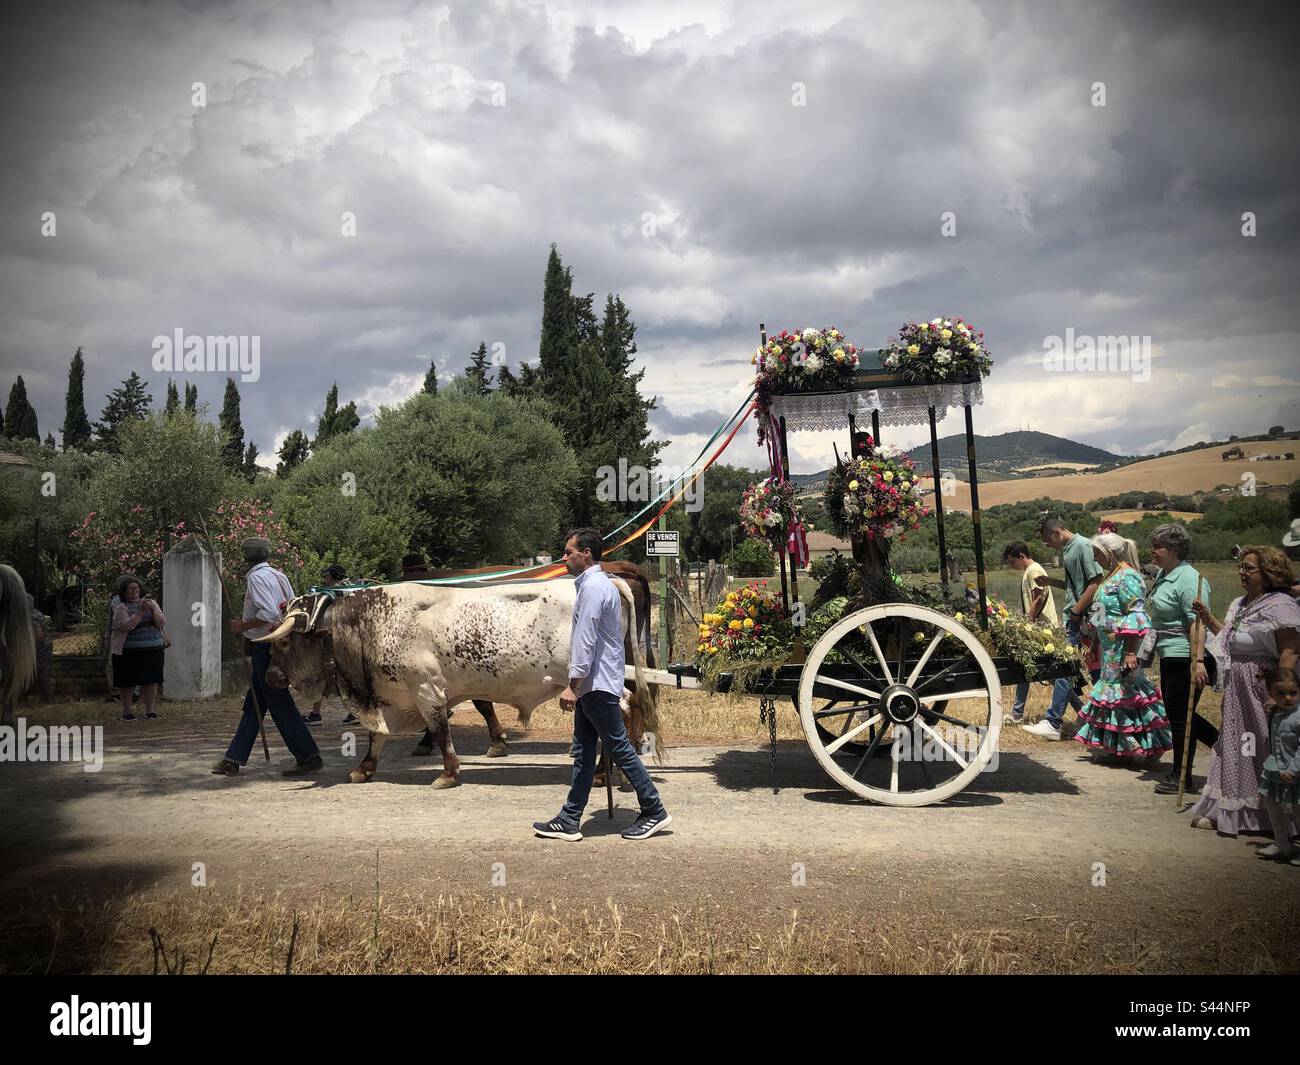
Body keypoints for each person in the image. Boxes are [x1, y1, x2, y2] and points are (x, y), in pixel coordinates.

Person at [533, 528, 670, 842]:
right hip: (593, 685)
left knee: (619, 747)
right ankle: (569, 819)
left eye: (569, 552)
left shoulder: (594, 588)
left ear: (587, 555)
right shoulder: (595, 585)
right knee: (583, 752)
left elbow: (586, 641)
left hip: (595, 684)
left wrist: (573, 685)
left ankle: (654, 809)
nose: (564, 558)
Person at [1190, 546, 1300, 836]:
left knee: (1264, 744)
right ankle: (1235, 809)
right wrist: (1207, 617)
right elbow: (1229, 638)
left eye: (1248, 568)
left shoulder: (1280, 605)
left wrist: (1275, 692)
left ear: (1268, 573)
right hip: (1237, 686)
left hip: (1262, 683)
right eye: (1241, 567)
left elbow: (1290, 650)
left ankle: (1274, 817)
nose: (1242, 572)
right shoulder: (1240, 604)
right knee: (1236, 745)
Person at [211, 538, 323, 777]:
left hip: (266, 648)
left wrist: (243, 626)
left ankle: (308, 755)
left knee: (279, 703)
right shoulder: (279, 576)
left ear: (246, 558)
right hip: (279, 645)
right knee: (255, 703)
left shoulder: (255, 578)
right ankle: (233, 759)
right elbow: (290, 608)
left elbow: (270, 613)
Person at [1072, 533, 1173, 761]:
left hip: (1122, 649)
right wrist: (1095, 643)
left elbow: (1134, 614)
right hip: (1108, 649)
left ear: (1110, 552)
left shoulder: (1128, 577)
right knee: (1115, 694)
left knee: (1126, 693)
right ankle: (1120, 747)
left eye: (1098, 554)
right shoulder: (1111, 576)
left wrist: (1130, 652)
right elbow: (1101, 612)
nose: (1096, 559)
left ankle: (1141, 745)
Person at [1146, 524, 1218, 795]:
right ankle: (1217, 749)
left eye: (1158, 547)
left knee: (1180, 717)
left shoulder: (1188, 578)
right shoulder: (1167, 575)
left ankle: (1182, 774)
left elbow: (1196, 622)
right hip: (1169, 654)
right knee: (1179, 715)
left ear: (1174, 549)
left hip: (1185, 656)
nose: (1153, 551)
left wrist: (1197, 660)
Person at [1024, 517, 1104, 739]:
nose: (1048, 546)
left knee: (1066, 667)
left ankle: (1054, 722)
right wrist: (1051, 582)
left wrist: (1076, 612)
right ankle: (1098, 720)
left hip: (1082, 617)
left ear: (1057, 533)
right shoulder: (1071, 549)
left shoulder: (1082, 546)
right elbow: (1074, 586)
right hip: (1080, 616)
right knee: (1084, 669)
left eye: (1048, 541)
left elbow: (1095, 582)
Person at [1000, 542, 1064, 724]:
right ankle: (1017, 713)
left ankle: (1017, 714)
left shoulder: (1034, 570)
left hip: (1042, 628)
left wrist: (1027, 621)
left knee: (1053, 674)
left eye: (1012, 561)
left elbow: (1038, 598)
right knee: (1028, 669)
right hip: (1039, 627)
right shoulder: (1031, 571)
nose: (1012, 566)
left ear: (1021, 556)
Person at [1256, 667, 1300, 865]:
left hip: (1294, 771)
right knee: (1272, 804)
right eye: (1281, 693)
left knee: (1298, 810)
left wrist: (1293, 769)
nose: (1288, 698)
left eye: (1293, 692)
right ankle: (1282, 843)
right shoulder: (1275, 712)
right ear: (1271, 693)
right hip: (1276, 769)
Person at [110, 575, 165, 720]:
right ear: (124, 592)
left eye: (136, 588)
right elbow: (126, 625)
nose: (134, 590)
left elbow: (161, 622)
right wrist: (140, 611)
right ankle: (127, 711)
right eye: (131, 589)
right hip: (129, 650)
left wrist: (153, 610)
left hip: (152, 647)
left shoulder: (151, 603)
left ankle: (150, 710)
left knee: (151, 680)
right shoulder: (121, 607)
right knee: (127, 681)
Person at [304, 563, 347, 726]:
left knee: (333, 674)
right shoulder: (344, 591)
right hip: (335, 639)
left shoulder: (337, 592)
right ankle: (316, 713)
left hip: (334, 640)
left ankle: (354, 712)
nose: (324, 579)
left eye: (327, 576)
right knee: (327, 674)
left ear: (334, 577)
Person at [29, 594, 53, 703]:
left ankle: (47, 698)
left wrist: (27, 644)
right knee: (43, 674)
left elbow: (38, 635)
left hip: (41, 650)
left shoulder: (32, 616)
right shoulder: (37, 613)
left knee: (42, 675)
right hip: (45, 647)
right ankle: (45, 697)